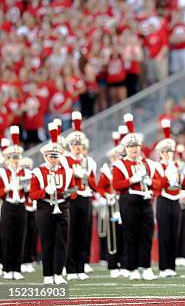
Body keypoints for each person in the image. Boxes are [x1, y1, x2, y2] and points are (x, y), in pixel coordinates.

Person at [111, 114, 160, 281]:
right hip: (128, 201)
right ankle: (131, 268)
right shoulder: (119, 164)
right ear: (125, 148)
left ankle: (145, 266)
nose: (135, 148)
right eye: (131, 146)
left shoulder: (148, 163)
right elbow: (116, 185)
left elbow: (159, 182)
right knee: (130, 235)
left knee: (147, 234)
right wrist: (132, 180)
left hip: (145, 200)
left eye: (137, 145)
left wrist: (150, 181)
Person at [29, 122, 76, 285]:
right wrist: (46, 192)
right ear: (45, 156)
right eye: (51, 156)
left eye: (56, 156)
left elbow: (74, 191)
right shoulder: (38, 172)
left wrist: (65, 193)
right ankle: (48, 275)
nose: (54, 159)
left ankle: (58, 273)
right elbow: (32, 195)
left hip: (62, 207)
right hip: (44, 207)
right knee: (47, 241)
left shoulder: (67, 172)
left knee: (62, 241)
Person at [153, 119, 185, 278]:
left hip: (175, 200)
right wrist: (166, 179)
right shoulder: (156, 166)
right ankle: (163, 266)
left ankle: (171, 266)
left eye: (170, 151)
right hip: (163, 200)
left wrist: (183, 175)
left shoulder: (177, 165)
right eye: (165, 151)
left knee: (175, 233)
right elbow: (155, 185)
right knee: (164, 233)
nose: (168, 154)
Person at [63, 111, 97, 281]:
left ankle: (81, 267)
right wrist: (73, 174)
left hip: (85, 198)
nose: (78, 147)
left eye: (80, 144)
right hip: (72, 199)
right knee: (72, 233)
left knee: (84, 233)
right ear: (70, 145)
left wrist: (87, 177)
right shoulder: (65, 160)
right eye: (75, 144)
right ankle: (70, 268)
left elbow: (94, 184)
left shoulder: (89, 161)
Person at [96, 132, 128, 278]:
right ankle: (113, 263)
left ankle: (125, 262)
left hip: (125, 203)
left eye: (120, 156)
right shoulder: (107, 171)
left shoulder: (126, 168)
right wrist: (106, 196)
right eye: (115, 157)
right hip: (112, 204)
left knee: (125, 233)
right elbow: (100, 187)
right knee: (113, 235)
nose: (117, 159)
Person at [0, 126, 27, 280]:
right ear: (8, 159)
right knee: (7, 236)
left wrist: (27, 187)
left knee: (19, 236)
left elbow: (30, 188)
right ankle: (7, 267)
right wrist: (7, 188)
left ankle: (17, 268)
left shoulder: (24, 171)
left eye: (18, 158)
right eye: (14, 158)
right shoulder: (2, 172)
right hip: (9, 205)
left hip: (21, 206)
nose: (16, 161)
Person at [19, 157, 38, 275]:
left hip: (33, 208)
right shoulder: (19, 175)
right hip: (23, 207)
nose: (27, 167)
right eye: (24, 165)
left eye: (28, 165)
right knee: (24, 236)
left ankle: (30, 260)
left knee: (33, 235)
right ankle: (22, 260)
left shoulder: (33, 175)